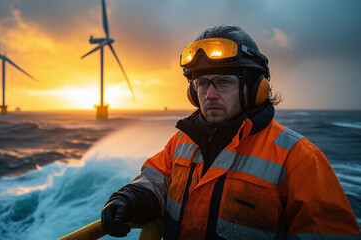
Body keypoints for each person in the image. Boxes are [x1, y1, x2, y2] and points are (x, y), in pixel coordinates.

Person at [101, 25, 361, 239]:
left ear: (255, 88)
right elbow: (156, 180)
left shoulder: (299, 158)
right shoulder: (182, 141)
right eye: (202, 84)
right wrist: (129, 200)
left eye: (223, 82)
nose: (209, 95)